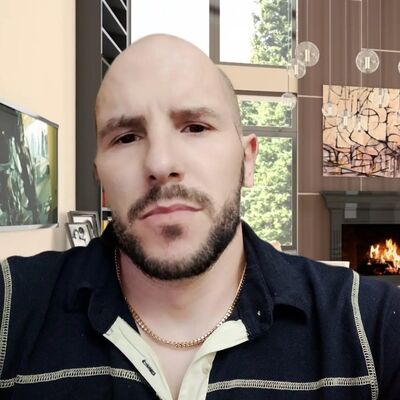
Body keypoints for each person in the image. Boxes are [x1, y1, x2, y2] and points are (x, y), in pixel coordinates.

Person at [0, 34, 399, 400]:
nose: (161, 163)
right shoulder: (11, 308)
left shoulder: (373, 327)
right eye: (126, 137)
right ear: (100, 177)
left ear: (247, 160)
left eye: (195, 127)